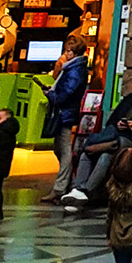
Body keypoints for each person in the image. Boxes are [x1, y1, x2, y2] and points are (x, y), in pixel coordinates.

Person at [65, 67, 132, 209]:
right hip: (117, 135)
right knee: (91, 153)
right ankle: (78, 189)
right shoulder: (129, 99)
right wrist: (119, 123)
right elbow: (111, 122)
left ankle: (86, 192)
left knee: (106, 152)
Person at [40, 35, 89, 203]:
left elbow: (67, 93)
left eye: (69, 51)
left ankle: (61, 187)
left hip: (64, 112)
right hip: (64, 112)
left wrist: (53, 95)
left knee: (64, 149)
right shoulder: (73, 68)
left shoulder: (74, 70)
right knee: (60, 148)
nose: (66, 54)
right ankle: (66, 183)